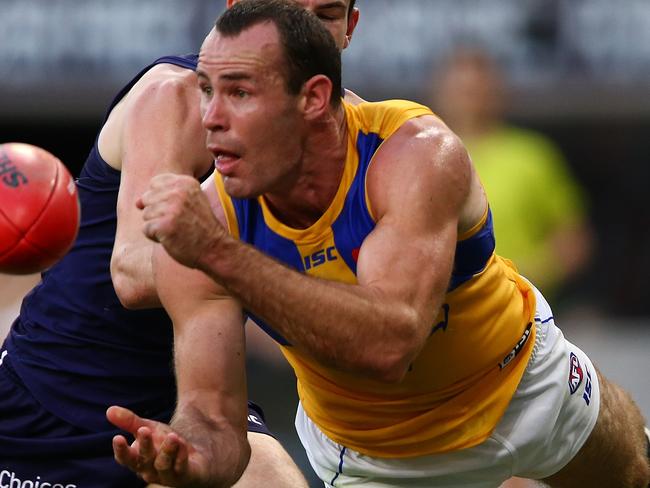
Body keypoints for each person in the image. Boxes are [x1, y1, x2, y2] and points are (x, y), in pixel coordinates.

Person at [107, 1, 650, 487]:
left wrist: (219, 256)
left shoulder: (413, 153)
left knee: (635, 470)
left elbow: (391, 343)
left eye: (239, 93)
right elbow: (215, 419)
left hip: (524, 379)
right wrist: (192, 458)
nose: (211, 120)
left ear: (314, 98)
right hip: (375, 457)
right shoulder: (206, 224)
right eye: (207, 90)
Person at [0, 0, 359, 486]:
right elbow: (131, 273)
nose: (297, 34)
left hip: (202, 399)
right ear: (238, 9)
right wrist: (263, 272)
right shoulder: (176, 97)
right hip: (59, 394)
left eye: (325, 15)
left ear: (349, 29)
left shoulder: (363, 134)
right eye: (283, 9)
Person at [430, 47, 593, 303]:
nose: (470, 99)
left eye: (479, 90)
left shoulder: (532, 156)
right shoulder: (420, 156)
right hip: (443, 313)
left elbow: (573, 242)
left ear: (497, 93)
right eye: (462, 91)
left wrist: (523, 278)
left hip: (523, 314)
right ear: (441, 94)